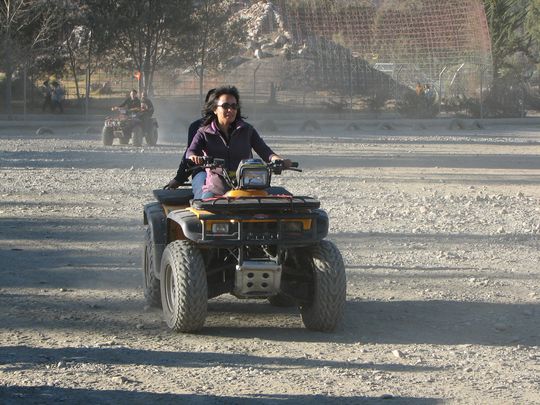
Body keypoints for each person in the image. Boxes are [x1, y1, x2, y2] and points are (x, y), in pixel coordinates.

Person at [184, 85, 291, 199]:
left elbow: (265, 151)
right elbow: (191, 151)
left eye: (234, 106)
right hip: (217, 190)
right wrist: (194, 157)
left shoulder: (247, 130)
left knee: (279, 209)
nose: (230, 110)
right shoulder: (203, 132)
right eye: (225, 106)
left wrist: (277, 160)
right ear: (215, 109)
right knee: (204, 210)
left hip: (248, 188)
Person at [165, 88, 216, 189]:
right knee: (207, 192)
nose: (228, 109)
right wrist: (179, 178)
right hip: (203, 172)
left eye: (232, 105)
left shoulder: (241, 129)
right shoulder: (198, 127)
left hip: (232, 175)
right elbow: (190, 153)